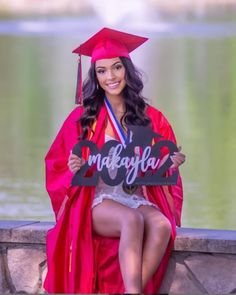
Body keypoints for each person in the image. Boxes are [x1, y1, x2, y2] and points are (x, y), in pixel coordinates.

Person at [44, 27, 185, 294]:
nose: (111, 77)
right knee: (131, 220)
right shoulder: (82, 119)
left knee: (161, 225)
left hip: (132, 195)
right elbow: (55, 164)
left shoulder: (149, 117)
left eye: (117, 68)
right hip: (96, 200)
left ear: (127, 70)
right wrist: (75, 169)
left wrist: (169, 165)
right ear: (95, 77)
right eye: (102, 71)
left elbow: (157, 167)